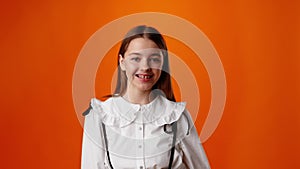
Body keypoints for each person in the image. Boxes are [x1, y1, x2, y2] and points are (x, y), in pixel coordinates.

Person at [81, 25, 210, 169]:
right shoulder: (99, 115)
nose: (145, 67)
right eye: (136, 58)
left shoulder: (177, 116)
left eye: (154, 59)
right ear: (122, 62)